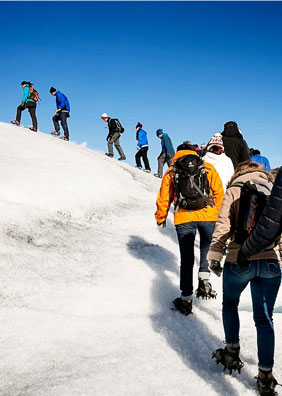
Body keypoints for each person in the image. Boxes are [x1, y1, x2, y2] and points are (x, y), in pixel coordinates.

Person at [207, 161, 281, 395]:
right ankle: (265, 375)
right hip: (270, 262)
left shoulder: (235, 189)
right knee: (265, 318)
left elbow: (223, 226)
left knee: (230, 303)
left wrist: (215, 256)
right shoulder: (273, 189)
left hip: (238, 259)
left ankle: (231, 352)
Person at [155, 141, 224, 315]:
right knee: (206, 247)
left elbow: (165, 197)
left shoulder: (172, 170)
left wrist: (161, 218)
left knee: (186, 259)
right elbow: (219, 193)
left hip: (184, 217)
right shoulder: (207, 167)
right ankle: (204, 279)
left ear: (177, 153)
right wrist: (216, 212)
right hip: (208, 215)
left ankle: (186, 299)